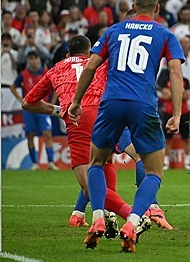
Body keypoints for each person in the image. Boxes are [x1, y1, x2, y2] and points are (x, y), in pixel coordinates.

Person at [68, 0, 184, 253]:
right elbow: (175, 73)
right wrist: (176, 114)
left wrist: (75, 101)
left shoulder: (114, 31)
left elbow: (90, 66)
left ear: (133, 6)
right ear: (157, 8)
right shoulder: (165, 34)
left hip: (110, 104)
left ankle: (97, 218)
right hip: (142, 104)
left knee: (96, 162)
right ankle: (132, 222)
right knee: (153, 170)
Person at [20, 35, 163, 238]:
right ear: (89, 53)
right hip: (107, 113)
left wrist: (57, 110)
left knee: (89, 188)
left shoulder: (57, 68)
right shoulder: (98, 63)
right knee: (105, 163)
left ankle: (131, 215)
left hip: (78, 116)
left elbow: (28, 103)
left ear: (68, 54)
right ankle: (106, 215)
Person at [10, 51, 57, 170]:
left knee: (47, 133)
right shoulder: (24, 74)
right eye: (30, 58)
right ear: (28, 61)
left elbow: (56, 86)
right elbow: (13, 87)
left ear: (38, 59)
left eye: (35, 58)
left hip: (44, 108)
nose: (33, 61)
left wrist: (52, 103)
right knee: (30, 135)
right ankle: (35, 163)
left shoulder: (47, 73)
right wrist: (21, 100)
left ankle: (51, 162)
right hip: (29, 109)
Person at [157, 70, 190, 171]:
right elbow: (165, 96)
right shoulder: (165, 81)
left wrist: (173, 93)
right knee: (167, 139)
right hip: (169, 112)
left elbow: (187, 96)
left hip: (184, 113)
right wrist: (179, 92)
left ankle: (187, 162)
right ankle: (166, 162)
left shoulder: (185, 81)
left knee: (186, 138)